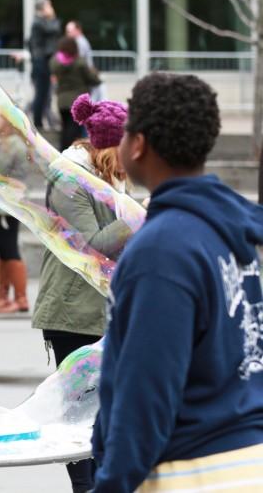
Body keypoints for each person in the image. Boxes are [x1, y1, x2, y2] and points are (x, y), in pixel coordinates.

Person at [93, 73, 263, 492]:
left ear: (138, 143)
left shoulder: (162, 249)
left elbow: (145, 396)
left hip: (193, 473)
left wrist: (111, 484)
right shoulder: (228, 231)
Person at [33, 93, 132, 493]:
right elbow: (93, 242)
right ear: (108, 145)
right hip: (72, 309)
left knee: (110, 409)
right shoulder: (68, 178)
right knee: (78, 413)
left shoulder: (109, 176)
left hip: (104, 307)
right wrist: (140, 213)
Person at [0, 113, 31, 313]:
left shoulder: (10, 144)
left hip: (6, 204)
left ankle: (20, 298)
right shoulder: (4, 142)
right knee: (3, 250)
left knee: (9, 249)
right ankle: (3, 296)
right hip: (2, 203)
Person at [51, 36, 101, 152]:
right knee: (75, 132)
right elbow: (93, 79)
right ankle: (73, 154)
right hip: (77, 102)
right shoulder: (80, 62)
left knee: (65, 129)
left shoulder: (54, 62)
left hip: (61, 101)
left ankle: (62, 153)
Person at [27, 0, 61, 129]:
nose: (51, 9)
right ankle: (38, 123)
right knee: (41, 94)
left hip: (43, 63)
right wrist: (52, 17)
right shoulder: (39, 22)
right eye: (49, 6)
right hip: (41, 64)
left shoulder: (41, 22)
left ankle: (41, 121)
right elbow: (54, 29)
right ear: (42, 8)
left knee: (45, 94)